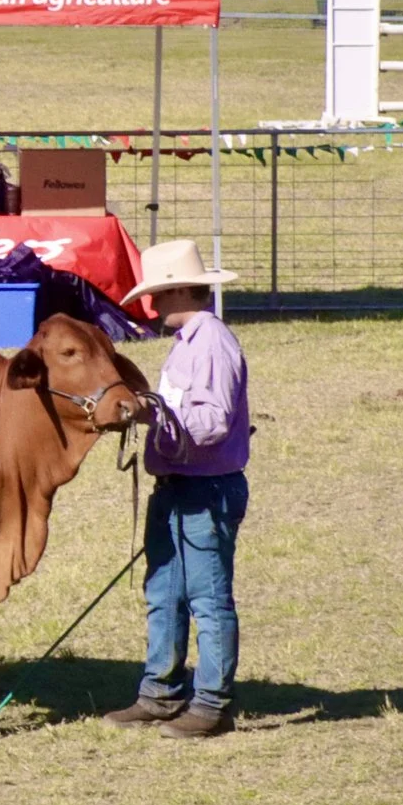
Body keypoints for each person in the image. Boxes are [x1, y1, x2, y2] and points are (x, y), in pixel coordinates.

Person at [104, 239, 250, 739]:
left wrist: (151, 414)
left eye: (161, 294)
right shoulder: (189, 341)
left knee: (207, 598)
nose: (152, 304)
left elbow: (210, 423)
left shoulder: (210, 342)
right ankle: (161, 693)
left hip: (204, 490)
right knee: (164, 593)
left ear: (185, 289)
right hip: (179, 488)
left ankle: (211, 704)